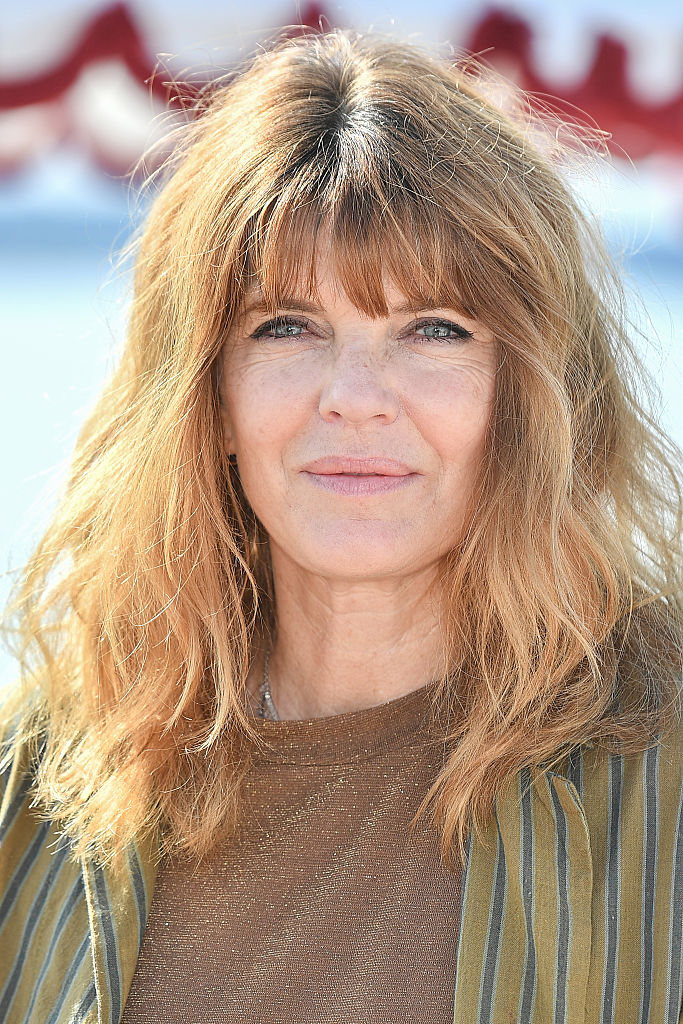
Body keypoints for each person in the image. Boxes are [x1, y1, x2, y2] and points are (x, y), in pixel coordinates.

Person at [1, 27, 682, 1024]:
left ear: (527, 394)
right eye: (286, 326)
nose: (354, 397)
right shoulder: (39, 785)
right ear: (206, 395)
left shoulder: (662, 753)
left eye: (434, 329)